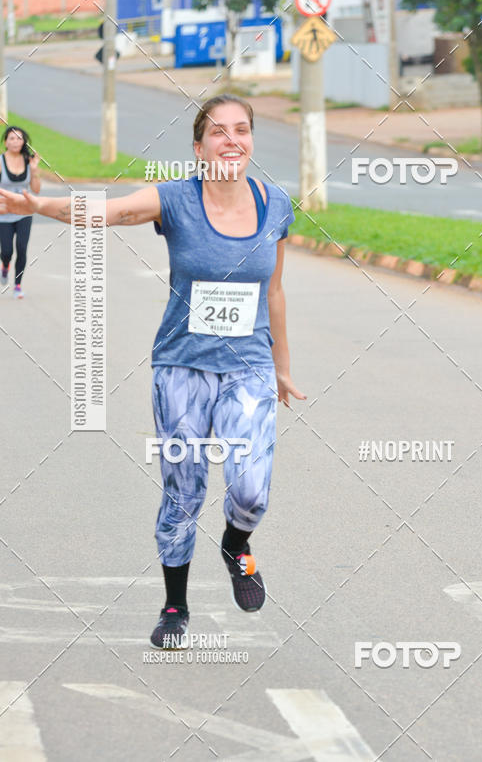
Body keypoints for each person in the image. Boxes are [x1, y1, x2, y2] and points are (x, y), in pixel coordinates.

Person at [0, 94, 305, 648]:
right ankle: (175, 604)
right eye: (218, 132)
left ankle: (236, 543)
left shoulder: (276, 204)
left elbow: (275, 291)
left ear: (252, 139)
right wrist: (36, 207)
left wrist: (282, 368)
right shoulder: (175, 200)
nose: (231, 140)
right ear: (198, 147)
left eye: (242, 129)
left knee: (251, 489)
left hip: (250, 367)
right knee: (184, 490)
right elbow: (107, 212)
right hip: (182, 365)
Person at [0, 126, 41, 297]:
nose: (16, 141)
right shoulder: (0, 161)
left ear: (24, 141)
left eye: (19, 138)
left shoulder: (28, 161)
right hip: (4, 212)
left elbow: (36, 190)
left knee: (22, 248)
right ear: (5, 142)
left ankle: (18, 285)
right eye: (12, 138)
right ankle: (5, 266)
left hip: (24, 212)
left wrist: (34, 170)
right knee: (7, 251)